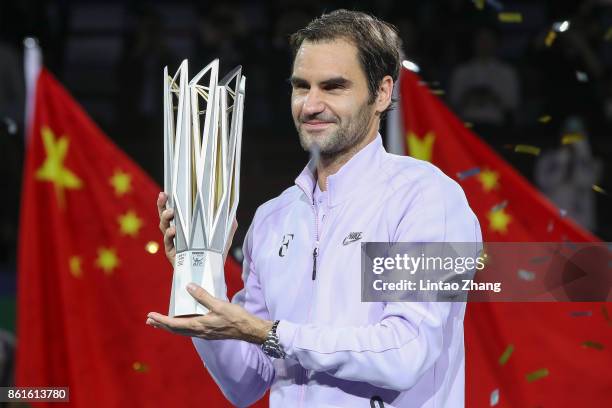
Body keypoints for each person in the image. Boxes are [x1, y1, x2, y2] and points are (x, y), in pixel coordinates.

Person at [148, 9, 482, 407]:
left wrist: (270, 333)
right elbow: (246, 384)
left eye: (333, 87)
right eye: (301, 86)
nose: (311, 105)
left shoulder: (427, 198)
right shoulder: (273, 218)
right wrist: (204, 278)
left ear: (381, 93)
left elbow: (405, 353)